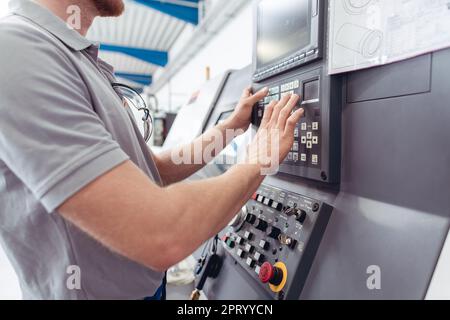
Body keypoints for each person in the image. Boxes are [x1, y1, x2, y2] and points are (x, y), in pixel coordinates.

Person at [0, 0, 304, 300]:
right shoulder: (18, 49)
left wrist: (229, 130)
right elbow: (160, 233)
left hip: (148, 288)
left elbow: (150, 168)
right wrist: (259, 160)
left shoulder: (74, 56)